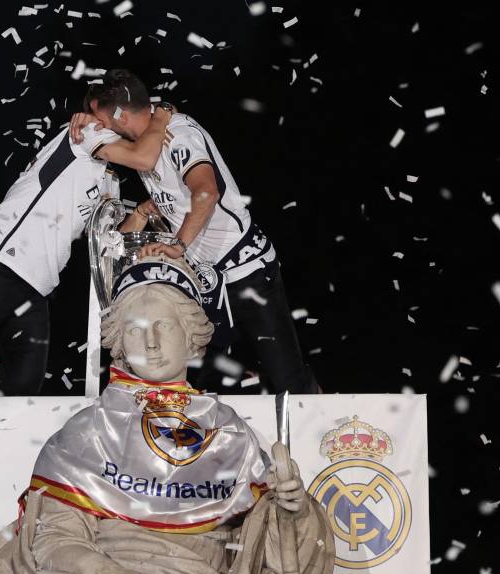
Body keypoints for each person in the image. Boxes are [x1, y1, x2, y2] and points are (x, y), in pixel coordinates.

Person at [0, 257, 334, 574]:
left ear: (191, 335)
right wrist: (104, 571)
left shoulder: (228, 430)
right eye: (135, 329)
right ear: (121, 343)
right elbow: (52, 538)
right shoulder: (90, 429)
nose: (152, 342)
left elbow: (268, 551)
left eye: (164, 325)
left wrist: (294, 511)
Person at [70, 69, 319, 395]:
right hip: (207, 281)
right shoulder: (149, 137)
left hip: (247, 273)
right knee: (200, 384)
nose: (99, 125)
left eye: (101, 118)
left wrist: (178, 245)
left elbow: (206, 192)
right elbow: (174, 194)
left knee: (287, 380)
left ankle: (316, 433)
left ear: (121, 115)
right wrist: (148, 211)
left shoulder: (178, 135)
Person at [0, 103, 176, 395]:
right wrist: (160, 119)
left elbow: (109, 245)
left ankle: (3, 436)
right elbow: (143, 158)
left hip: (36, 288)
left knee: (25, 387)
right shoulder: (85, 133)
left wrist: (142, 214)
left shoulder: (111, 181)